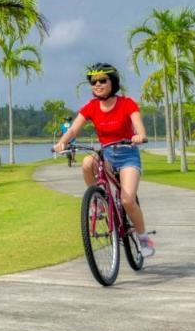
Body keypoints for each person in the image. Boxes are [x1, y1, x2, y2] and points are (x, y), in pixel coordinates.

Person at [53, 63, 155, 257]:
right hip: (107, 155)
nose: (97, 84)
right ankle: (98, 202)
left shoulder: (127, 104)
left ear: (112, 82)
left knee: (126, 199)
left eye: (102, 80)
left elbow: (138, 125)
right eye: (93, 81)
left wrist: (139, 136)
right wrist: (62, 143)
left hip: (127, 156)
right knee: (87, 163)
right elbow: (74, 129)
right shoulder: (91, 107)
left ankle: (143, 237)